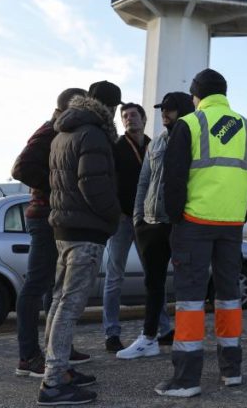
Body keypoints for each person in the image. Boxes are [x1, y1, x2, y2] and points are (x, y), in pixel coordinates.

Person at [156, 69, 247, 396]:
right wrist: (242, 212)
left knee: (190, 301)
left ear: (196, 96)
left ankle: (186, 379)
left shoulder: (189, 124)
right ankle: (231, 370)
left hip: (194, 222)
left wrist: (176, 217)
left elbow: (174, 178)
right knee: (229, 296)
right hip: (231, 226)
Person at [39, 81, 122, 405]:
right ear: (111, 108)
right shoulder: (94, 134)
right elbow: (93, 186)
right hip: (86, 231)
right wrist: (113, 216)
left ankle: (58, 369)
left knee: (60, 301)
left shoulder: (63, 132)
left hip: (63, 227)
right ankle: (53, 382)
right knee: (70, 305)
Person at [12, 87, 88, 378]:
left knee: (55, 288)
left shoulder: (59, 131)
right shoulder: (47, 131)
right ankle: (29, 356)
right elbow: (20, 168)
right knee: (36, 285)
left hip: (53, 216)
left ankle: (58, 349)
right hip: (43, 215)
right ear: (70, 107)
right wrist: (57, 186)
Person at [117, 92, 195, 360]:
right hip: (151, 223)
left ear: (183, 110)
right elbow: (144, 181)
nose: (165, 113)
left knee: (187, 284)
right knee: (154, 283)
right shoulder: (157, 142)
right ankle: (149, 338)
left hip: (184, 223)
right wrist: (139, 218)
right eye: (163, 109)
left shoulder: (197, 138)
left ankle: (187, 338)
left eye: (170, 109)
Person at [103, 103, 166, 352]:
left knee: (154, 276)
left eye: (133, 115)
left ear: (143, 118)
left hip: (146, 219)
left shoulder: (154, 145)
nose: (129, 119)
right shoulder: (115, 146)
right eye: (124, 116)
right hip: (121, 220)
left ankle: (163, 328)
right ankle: (111, 333)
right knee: (114, 276)